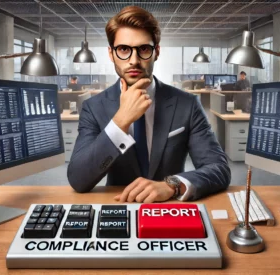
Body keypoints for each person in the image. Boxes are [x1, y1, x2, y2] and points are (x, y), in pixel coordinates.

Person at [67, 6, 230, 203]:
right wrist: (120, 121)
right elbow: (78, 179)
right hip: (119, 207)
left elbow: (219, 168)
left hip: (169, 208)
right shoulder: (94, 107)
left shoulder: (187, 104)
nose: (133, 60)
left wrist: (173, 185)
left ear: (157, 52)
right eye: (124, 49)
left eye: (143, 49)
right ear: (111, 54)